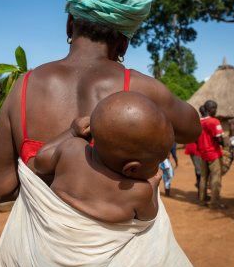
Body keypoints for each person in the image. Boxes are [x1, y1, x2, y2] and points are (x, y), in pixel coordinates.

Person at [0, 0, 204, 267]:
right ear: (124, 40)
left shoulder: (21, 89)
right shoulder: (144, 90)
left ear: (70, 22)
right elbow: (192, 127)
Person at [35, 92, 170, 221]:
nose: (157, 168)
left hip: (55, 235)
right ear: (132, 168)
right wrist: (153, 185)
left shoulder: (71, 148)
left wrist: (71, 132)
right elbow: (149, 216)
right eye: (156, 163)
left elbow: (39, 161)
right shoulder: (140, 191)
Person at [197, 100, 227, 210]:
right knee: (216, 179)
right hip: (214, 153)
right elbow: (219, 139)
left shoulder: (198, 122)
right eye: (215, 108)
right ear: (211, 109)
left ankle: (202, 201)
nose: (216, 111)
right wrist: (224, 143)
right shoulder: (214, 121)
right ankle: (214, 203)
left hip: (203, 153)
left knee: (203, 178)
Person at [185, 105, 205, 192]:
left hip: (196, 148)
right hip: (196, 149)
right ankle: (200, 193)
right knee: (199, 171)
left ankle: (201, 192)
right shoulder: (199, 122)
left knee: (200, 170)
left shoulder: (197, 121)